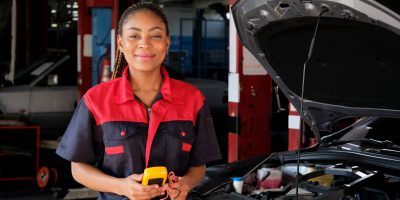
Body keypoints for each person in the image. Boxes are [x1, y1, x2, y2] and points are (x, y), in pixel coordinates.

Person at [56, 2, 221, 200]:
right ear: (120, 43)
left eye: (156, 35)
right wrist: (122, 187)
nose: (145, 43)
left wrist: (186, 183)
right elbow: (78, 168)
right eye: (134, 36)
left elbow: (198, 166)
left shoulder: (193, 99)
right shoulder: (96, 100)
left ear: (167, 42)